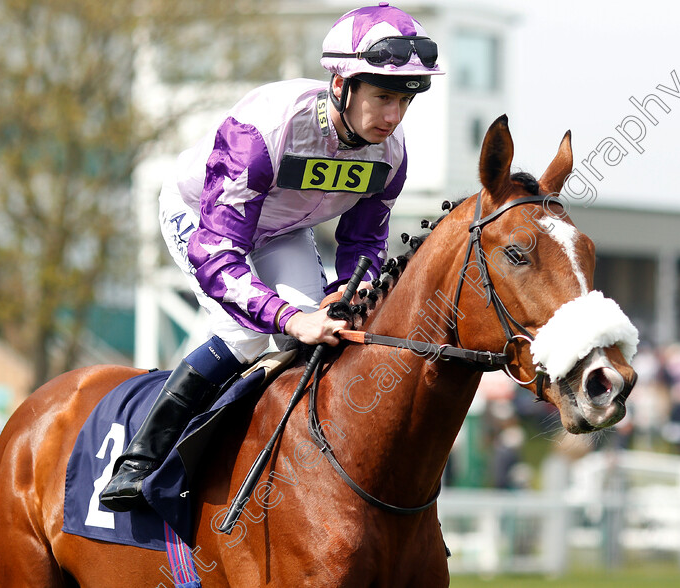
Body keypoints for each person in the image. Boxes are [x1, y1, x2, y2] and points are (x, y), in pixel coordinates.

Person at [100, 2, 443, 512]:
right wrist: (289, 317)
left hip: (282, 231)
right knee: (249, 331)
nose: (393, 117)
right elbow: (218, 254)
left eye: (405, 102)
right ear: (341, 83)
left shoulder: (391, 155)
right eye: (383, 97)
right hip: (205, 222)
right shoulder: (267, 127)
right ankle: (140, 461)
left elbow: (362, 243)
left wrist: (353, 289)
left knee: (318, 336)